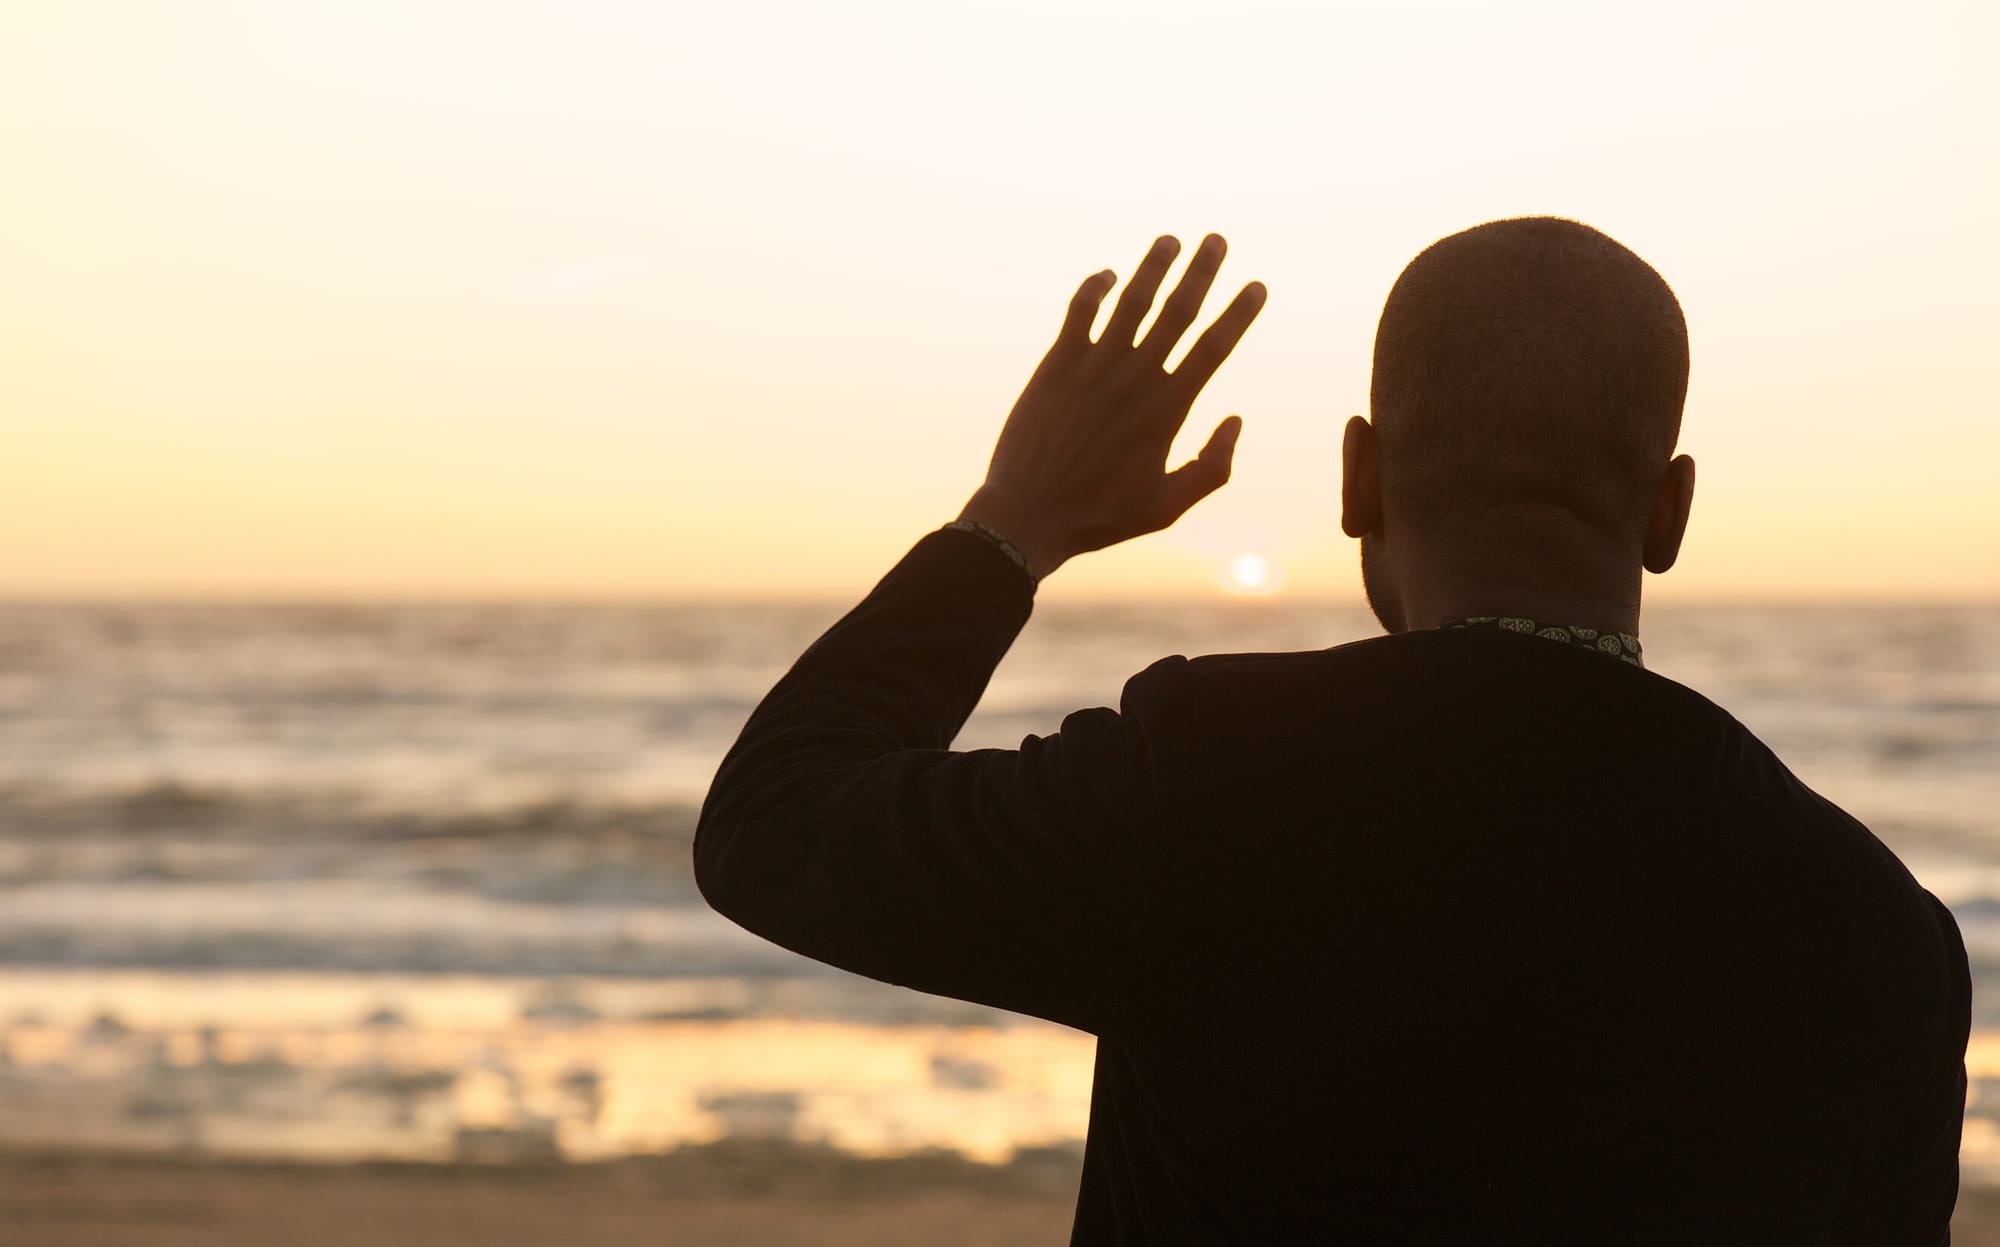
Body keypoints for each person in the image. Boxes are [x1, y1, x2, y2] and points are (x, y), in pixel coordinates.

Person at [694, 218, 1970, 1243]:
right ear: (1669, 510)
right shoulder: (1877, 936)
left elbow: (770, 821)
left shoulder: (1218, 776)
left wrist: (1008, 524)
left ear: (1358, 477)